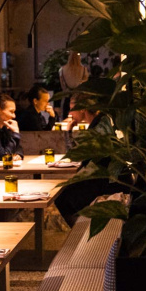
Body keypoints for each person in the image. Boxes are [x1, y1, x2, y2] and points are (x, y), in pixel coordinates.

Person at [54, 93, 123, 226]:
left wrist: (68, 133)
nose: (70, 114)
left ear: (82, 109)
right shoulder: (100, 122)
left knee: (63, 199)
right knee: (64, 196)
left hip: (108, 181)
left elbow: (78, 157)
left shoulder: (99, 126)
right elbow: (80, 156)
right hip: (104, 177)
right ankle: (84, 230)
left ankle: (84, 231)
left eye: (72, 109)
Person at [59, 51, 89, 117]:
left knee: (66, 117)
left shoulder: (62, 69)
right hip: (79, 98)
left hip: (67, 97)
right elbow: (85, 84)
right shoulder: (84, 69)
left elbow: (63, 86)